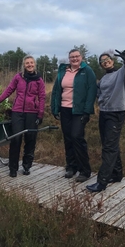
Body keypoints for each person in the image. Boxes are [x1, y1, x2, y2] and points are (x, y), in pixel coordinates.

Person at [0, 55, 46, 177]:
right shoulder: (18, 77)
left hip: (32, 113)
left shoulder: (39, 80)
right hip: (17, 112)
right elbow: (9, 90)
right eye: (27, 63)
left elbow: (42, 97)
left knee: (30, 140)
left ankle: (27, 166)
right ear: (24, 65)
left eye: (31, 63)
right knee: (16, 140)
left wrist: (40, 114)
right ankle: (13, 168)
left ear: (34, 64)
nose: (29, 65)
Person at [86, 49, 125, 192]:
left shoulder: (121, 74)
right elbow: (99, 93)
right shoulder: (103, 79)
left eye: (107, 60)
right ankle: (117, 174)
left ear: (112, 60)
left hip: (116, 113)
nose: (105, 62)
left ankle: (102, 182)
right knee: (108, 144)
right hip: (104, 113)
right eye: (102, 61)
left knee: (109, 148)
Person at [51, 48, 97, 183]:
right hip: (64, 109)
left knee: (77, 137)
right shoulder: (63, 71)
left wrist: (87, 111)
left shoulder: (87, 71)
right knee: (68, 138)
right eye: (72, 57)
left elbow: (92, 91)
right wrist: (55, 108)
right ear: (69, 59)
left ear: (81, 57)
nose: (74, 59)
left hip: (79, 111)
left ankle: (85, 170)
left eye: (77, 56)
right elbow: (56, 90)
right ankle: (71, 167)